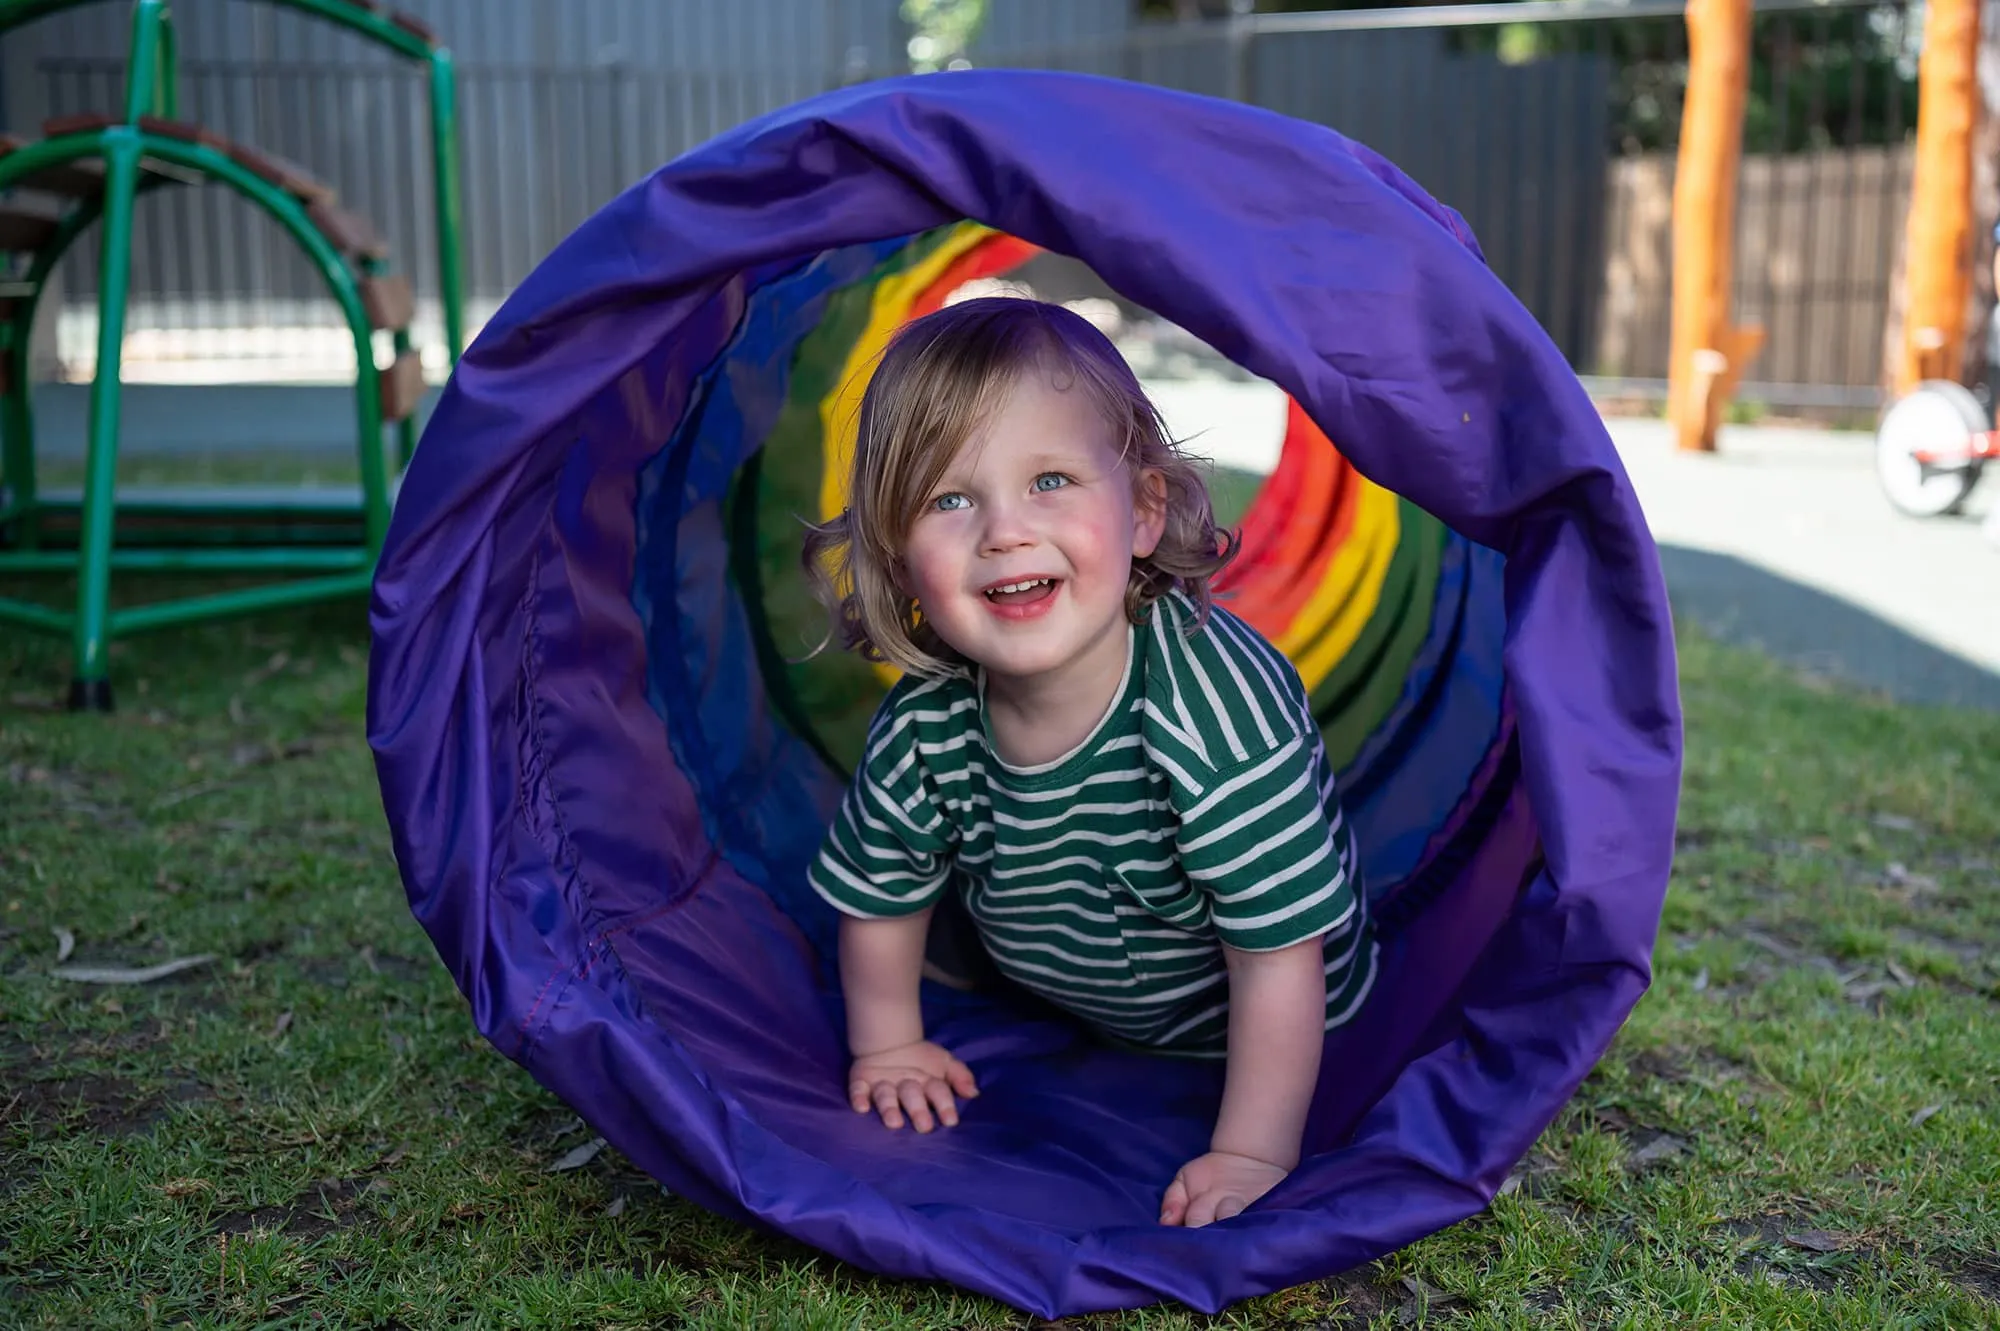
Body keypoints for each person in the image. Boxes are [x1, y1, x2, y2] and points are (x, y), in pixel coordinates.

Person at [801, 296, 1378, 1228]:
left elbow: (1279, 953)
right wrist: (892, 1044)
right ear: (901, 560)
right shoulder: (926, 725)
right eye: (949, 500)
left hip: (1258, 1016)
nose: (1004, 531)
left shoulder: (1212, 716)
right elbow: (882, 892)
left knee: (1279, 957)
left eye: (1052, 481)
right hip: (1066, 993)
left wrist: (1251, 1151)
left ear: (1145, 510)